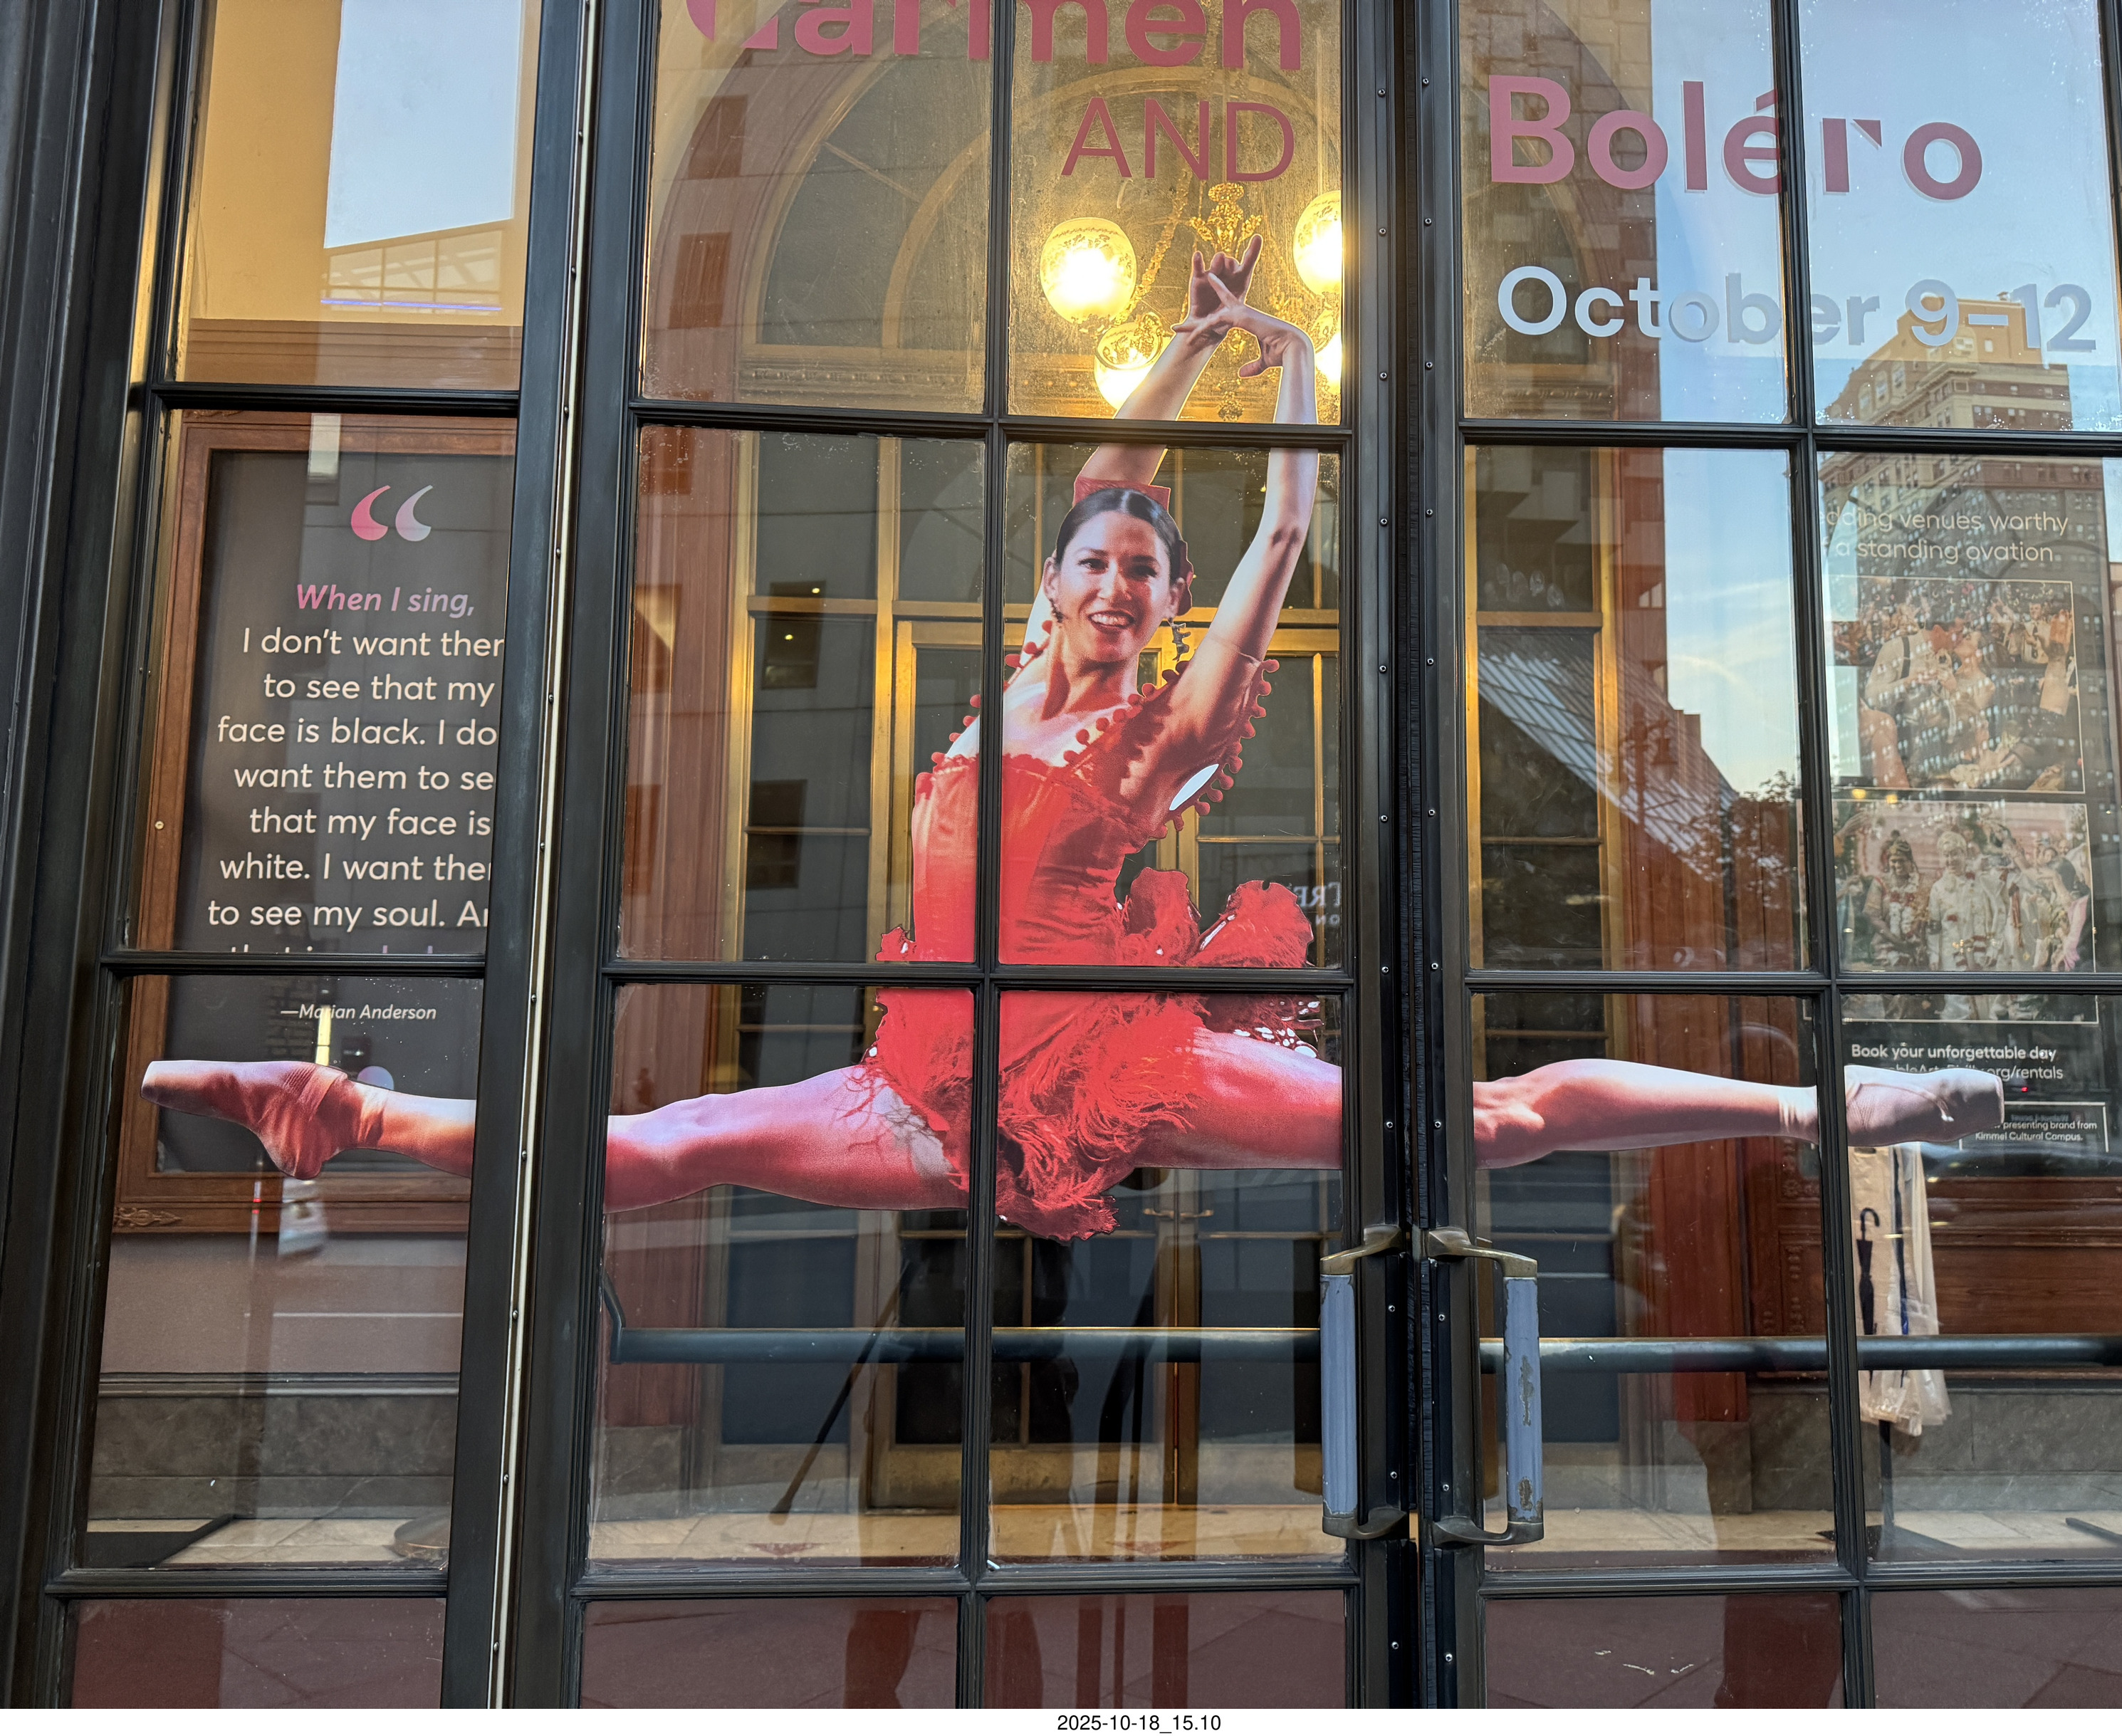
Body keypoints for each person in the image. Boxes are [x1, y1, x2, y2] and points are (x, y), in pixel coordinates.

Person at [140, 244, 2006, 1240]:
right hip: (935, 1071)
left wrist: (1297, 378)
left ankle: (1821, 1106)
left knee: (1485, 1124)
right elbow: (1108, 471)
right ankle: (346, 1118)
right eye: (1097, 563)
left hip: (1116, 1069)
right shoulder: (998, 693)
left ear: (1168, 610)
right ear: (1053, 585)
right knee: (663, 1146)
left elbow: (1275, 541)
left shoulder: (1155, 738)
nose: (1119, 582)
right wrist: (1187, 350)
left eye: (1145, 575)